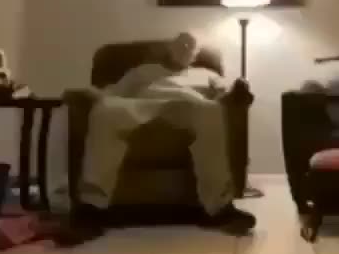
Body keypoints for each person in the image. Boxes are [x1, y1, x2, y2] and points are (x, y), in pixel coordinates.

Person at [80, 33, 256, 235]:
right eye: (181, 43)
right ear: (169, 48)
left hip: (187, 107)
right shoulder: (144, 71)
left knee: (213, 110)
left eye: (190, 46)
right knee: (104, 110)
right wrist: (91, 94)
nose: (185, 47)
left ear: (195, 54)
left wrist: (237, 91)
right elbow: (112, 92)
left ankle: (219, 208)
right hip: (141, 105)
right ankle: (91, 208)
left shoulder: (206, 74)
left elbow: (225, 93)